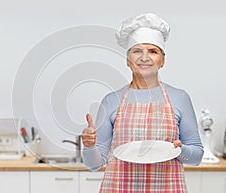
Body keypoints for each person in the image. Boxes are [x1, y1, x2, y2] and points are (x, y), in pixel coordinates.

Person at [81, 13, 204, 193]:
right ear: (127, 60)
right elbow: (94, 164)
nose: (144, 57)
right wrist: (90, 146)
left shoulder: (180, 98)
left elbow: (196, 157)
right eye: (137, 50)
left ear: (162, 61)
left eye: (153, 51)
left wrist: (180, 150)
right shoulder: (111, 101)